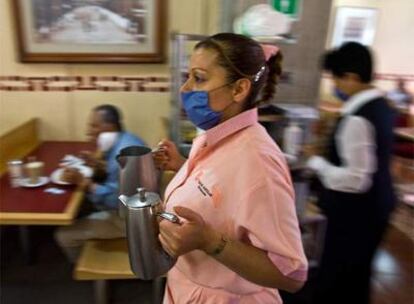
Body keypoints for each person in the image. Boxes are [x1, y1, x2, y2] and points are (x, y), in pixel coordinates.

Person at [153, 33, 307, 303]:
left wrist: (210, 241)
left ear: (239, 89)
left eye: (199, 78)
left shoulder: (259, 161)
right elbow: (221, 188)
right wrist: (181, 165)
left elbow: (291, 276)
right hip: (186, 287)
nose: (185, 88)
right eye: (187, 76)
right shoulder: (216, 135)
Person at [306, 42, 396, 304]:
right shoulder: (381, 105)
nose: (335, 86)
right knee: (356, 274)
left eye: (336, 78)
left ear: (352, 77)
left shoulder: (358, 117)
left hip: (358, 211)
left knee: (341, 275)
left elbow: (357, 178)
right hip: (376, 205)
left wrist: (317, 163)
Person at [55, 104, 146, 262]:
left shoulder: (125, 154)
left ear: (109, 127)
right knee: (80, 206)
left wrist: (83, 182)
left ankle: (88, 268)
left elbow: (117, 202)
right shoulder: (125, 140)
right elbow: (116, 175)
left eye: (94, 126)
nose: (89, 131)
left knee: (63, 235)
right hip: (135, 208)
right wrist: (97, 165)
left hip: (130, 220)